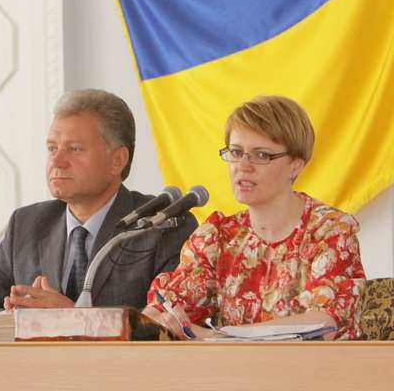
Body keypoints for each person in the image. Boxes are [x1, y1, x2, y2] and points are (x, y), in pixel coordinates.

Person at [0, 89, 198, 319]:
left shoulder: (163, 225)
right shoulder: (27, 225)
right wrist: (14, 320)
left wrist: (74, 318)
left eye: (74, 149)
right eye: (52, 149)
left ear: (117, 161)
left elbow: (170, 321)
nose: (57, 162)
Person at [144, 95, 366, 340]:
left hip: (317, 365)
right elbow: (162, 307)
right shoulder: (219, 237)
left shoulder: (330, 231)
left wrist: (215, 338)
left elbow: (321, 326)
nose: (243, 166)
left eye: (261, 155)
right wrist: (156, 320)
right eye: (236, 152)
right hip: (231, 366)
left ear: (296, 164)